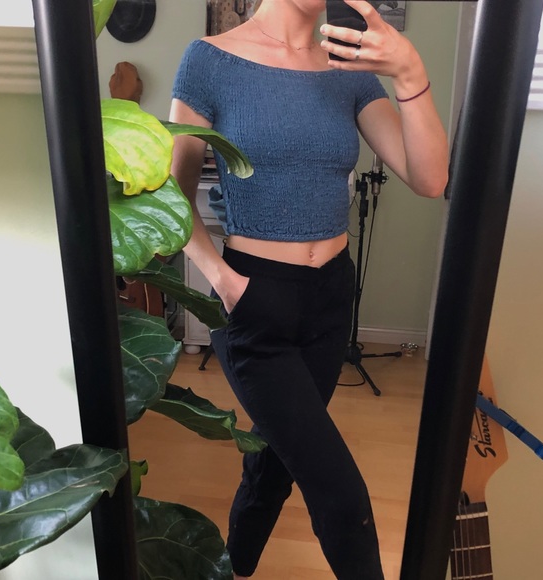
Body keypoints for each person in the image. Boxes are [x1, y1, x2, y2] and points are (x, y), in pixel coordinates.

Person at [168, 1, 449, 578]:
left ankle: (235, 565)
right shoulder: (209, 61)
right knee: (341, 497)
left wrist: (410, 73)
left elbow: (429, 178)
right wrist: (223, 281)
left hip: (329, 300)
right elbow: (174, 195)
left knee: (277, 461)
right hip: (253, 301)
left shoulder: (349, 66)